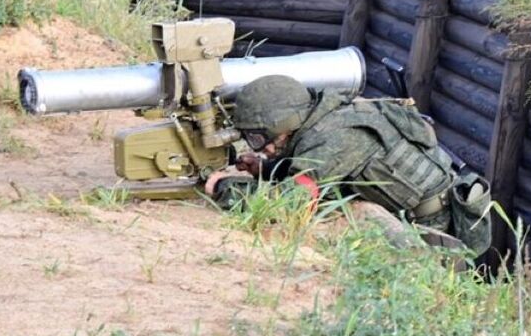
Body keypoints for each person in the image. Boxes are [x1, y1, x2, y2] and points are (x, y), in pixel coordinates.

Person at [202, 75, 492, 254]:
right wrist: (266, 169)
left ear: (284, 124)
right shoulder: (327, 114)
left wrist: (227, 189)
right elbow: (321, 170)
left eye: (259, 138)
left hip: (434, 234)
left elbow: (291, 205)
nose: (262, 148)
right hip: (416, 213)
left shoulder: (335, 136)